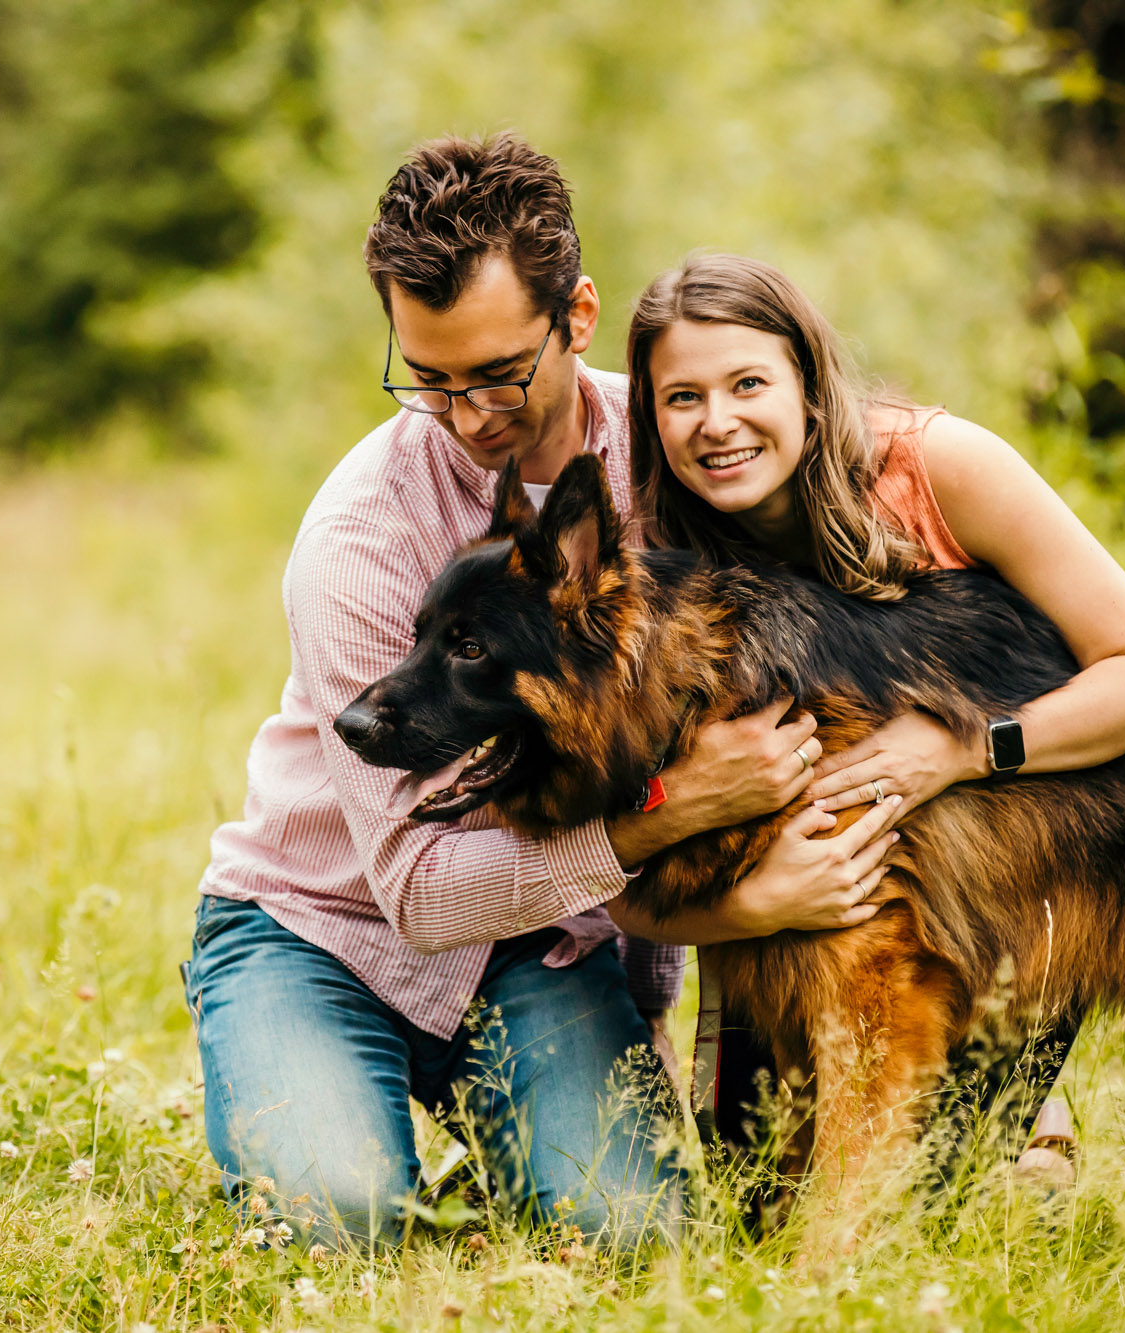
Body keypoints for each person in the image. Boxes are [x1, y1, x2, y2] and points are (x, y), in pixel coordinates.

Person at [183, 137, 907, 1250]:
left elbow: (838, 510)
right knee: (336, 1220)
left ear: (575, 314)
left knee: (635, 1236)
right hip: (320, 929)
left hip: (539, 943)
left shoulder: (676, 443)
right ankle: (318, 1101)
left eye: (499, 373)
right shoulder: (360, 539)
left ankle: (509, 1154)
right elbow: (419, 895)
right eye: (429, 378)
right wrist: (670, 814)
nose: (469, 414)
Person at [620, 252, 1125, 1179]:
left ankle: (1030, 1112)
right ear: (649, 418)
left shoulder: (936, 468)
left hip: (996, 874)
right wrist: (750, 904)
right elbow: (619, 849)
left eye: (747, 383)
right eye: (681, 397)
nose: (717, 422)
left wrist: (966, 749)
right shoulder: (657, 554)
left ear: (808, 386)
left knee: (929, 1189)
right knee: (757, 1192)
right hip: (796, 916)